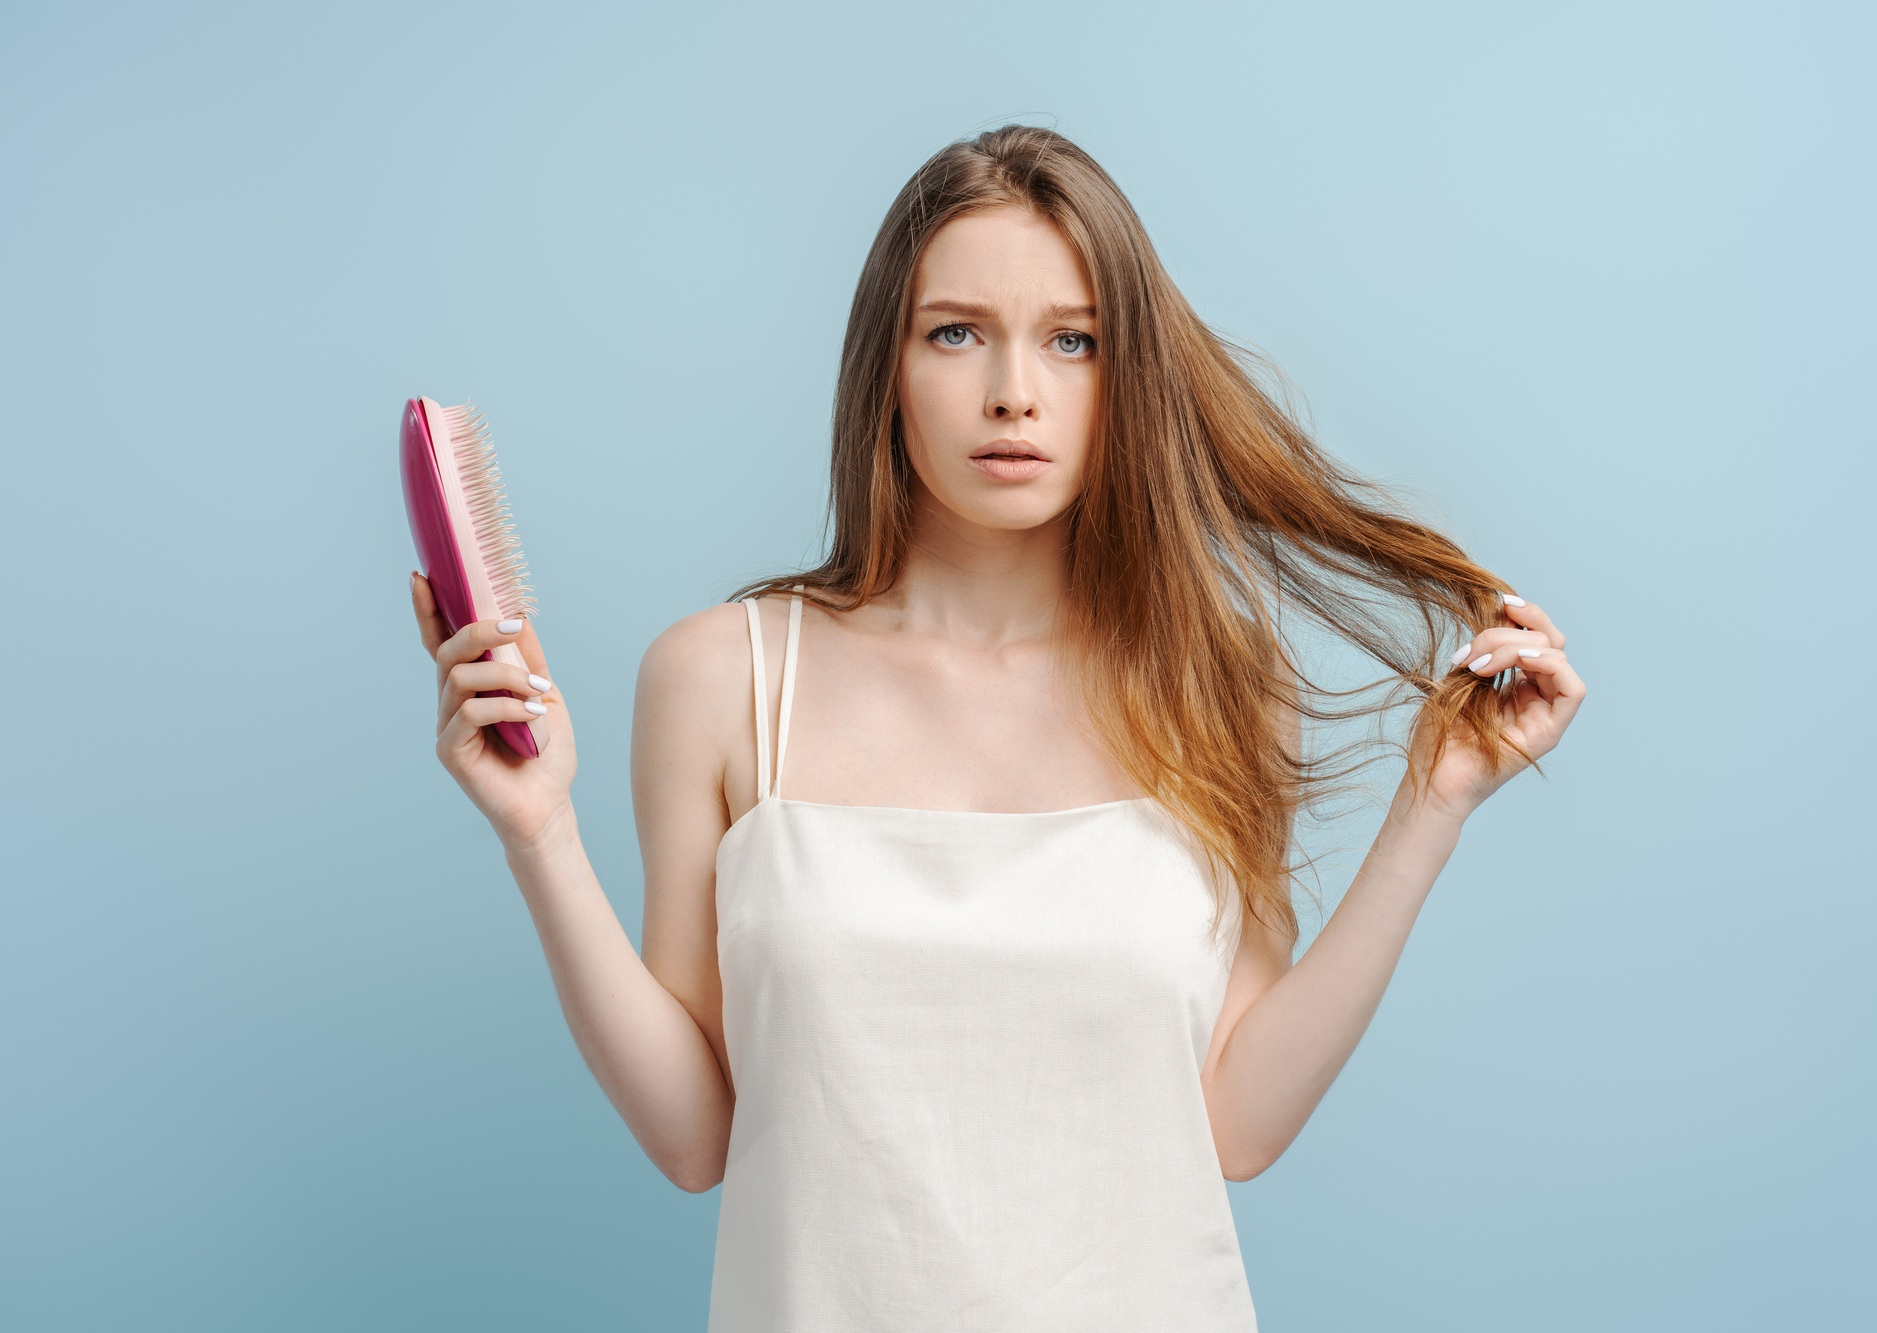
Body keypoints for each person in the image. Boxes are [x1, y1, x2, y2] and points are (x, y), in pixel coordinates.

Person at [408, 124, 1586, 1331]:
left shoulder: (1218, 685)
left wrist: (1430, 808)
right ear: (887, 367)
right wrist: (539, 835)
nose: (1012, 391)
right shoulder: (722, 676)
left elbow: (1235, 1122)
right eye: (956, 332)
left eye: (1072, 341)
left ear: (1124, 380)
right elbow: (694, 1136)